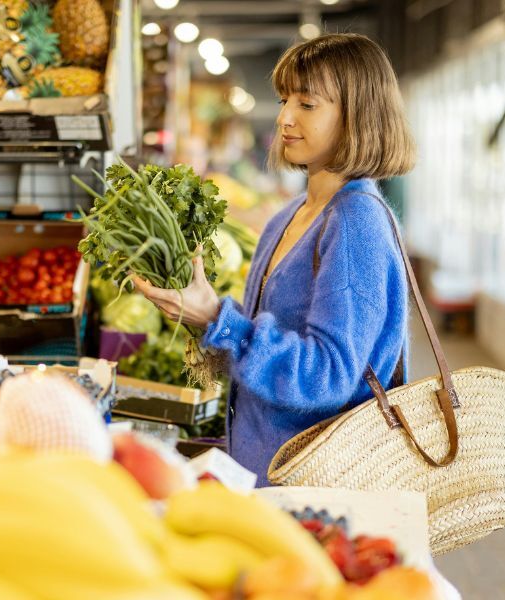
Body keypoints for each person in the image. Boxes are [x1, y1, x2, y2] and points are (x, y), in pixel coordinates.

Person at [133, 33, 416, 485]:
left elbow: (327, 376)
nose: (284, 117)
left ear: (358, 114)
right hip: (265, 470)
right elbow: (270, 343)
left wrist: (220, 321)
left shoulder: (356, 221)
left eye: (307, 104)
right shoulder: (290, 216)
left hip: (316, 486)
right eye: (285, 100)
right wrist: (201, 317)